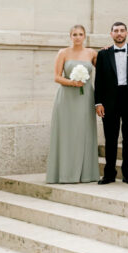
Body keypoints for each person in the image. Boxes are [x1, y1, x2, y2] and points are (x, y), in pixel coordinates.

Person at [94, 21, 128, 184]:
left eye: (122, 30)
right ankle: (109, 174)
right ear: (111, 34)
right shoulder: (103, 54)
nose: (119, 33)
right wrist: (98, 103)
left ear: (127, 33)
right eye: (116, 31)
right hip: (109, 100)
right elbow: (99, 81)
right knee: (110, 138)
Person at [46, 24, 99, 184]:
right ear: (70, 36)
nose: (77, 37)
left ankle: (86, 174)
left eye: (80, 34)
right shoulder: (63, 53)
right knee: (67, 134)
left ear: (85, 36)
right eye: (74, 34)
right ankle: (64, 174)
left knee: (84, 132)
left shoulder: (91, 53)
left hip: (86, 97)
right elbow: (56, 76)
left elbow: (104, 70)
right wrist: (71, 82)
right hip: (67, 98)